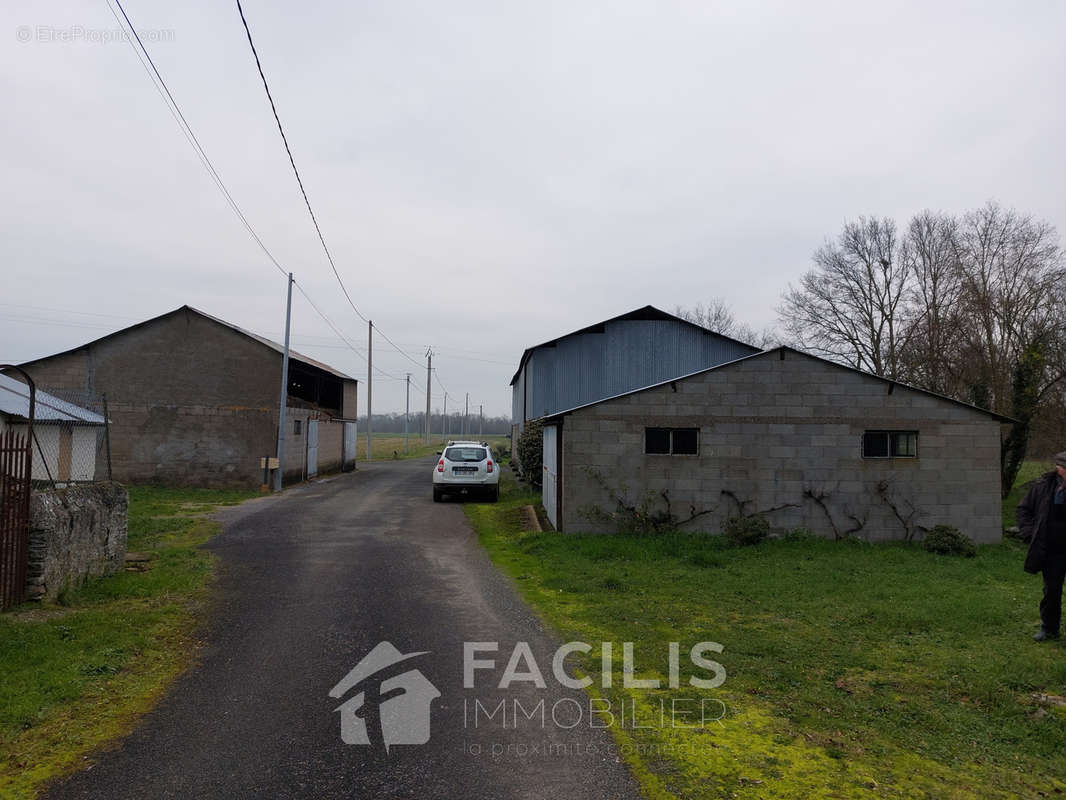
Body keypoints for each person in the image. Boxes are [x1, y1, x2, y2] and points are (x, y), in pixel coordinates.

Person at [1018, 452, 1066, 641]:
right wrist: (1029, 533)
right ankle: (1049, 628)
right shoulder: (1042, 486)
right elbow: (1023, 510)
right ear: (1060, 469)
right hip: (1052, 551)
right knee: (1052, 591)